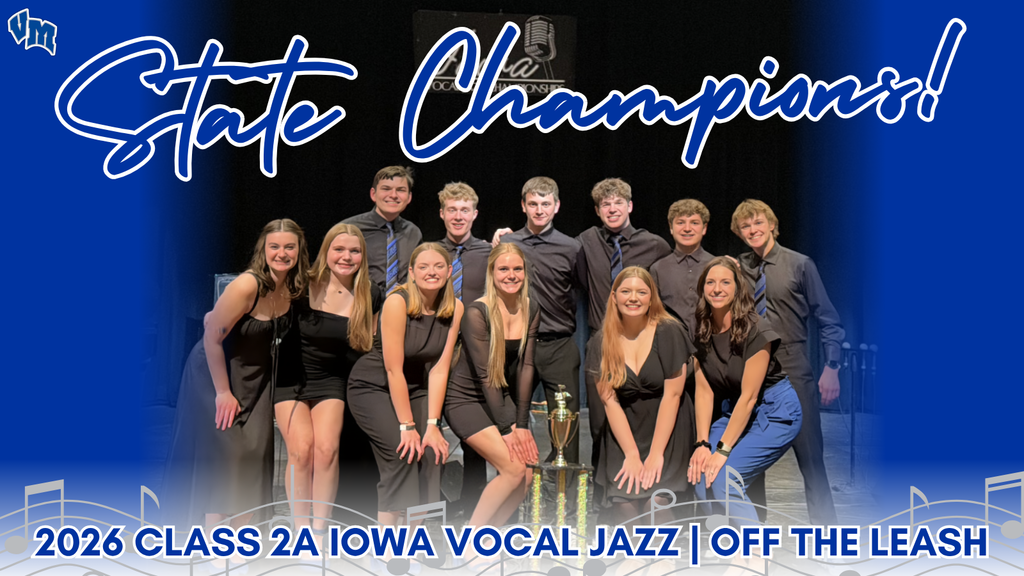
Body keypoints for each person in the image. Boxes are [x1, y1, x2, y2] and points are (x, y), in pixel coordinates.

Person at [164, 219, 309, 538]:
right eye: (274, 246)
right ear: (263, 249)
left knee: (254, 455)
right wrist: (222, 392)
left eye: (289, 247)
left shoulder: (292, 287)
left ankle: (241, 536)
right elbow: (212, 337)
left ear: (299, 251)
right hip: (217, 375)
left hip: (256, 379)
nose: (282, 253)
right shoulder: (248, 285)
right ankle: (217, 541)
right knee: (228, 458)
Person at [731, 199, 844, 525]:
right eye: (745, 226)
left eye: (757, 222)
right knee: (751, 462)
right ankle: (754, 532)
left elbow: (828, 320)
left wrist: (832, 367)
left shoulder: (799, 264)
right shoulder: (738, 267)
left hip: (793, 367)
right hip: (751, 369)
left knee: (811, 459)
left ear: (772, 225)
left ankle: (827, 533)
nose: (752, 229)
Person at [273, 223, 382, 539]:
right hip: (291, 378)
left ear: (362, 255)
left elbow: (373, 346)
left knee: (326, 451)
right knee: (300, 451)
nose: (346, 257)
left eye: (354, 251)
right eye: (339, 249)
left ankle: (319, 532)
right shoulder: (301, 284)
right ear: (326, 251)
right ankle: (301, 531)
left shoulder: (370, 293)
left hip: (332, 380)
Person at [346, 243, 463, 527]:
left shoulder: (455, 308)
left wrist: (433, 425)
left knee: (432, 452)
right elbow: (392, 369)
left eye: (438, 266)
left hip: (416, 386)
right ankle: (387, 543)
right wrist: (408, 426)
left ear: (449, 271)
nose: (431, 272)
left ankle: (412, 541)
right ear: (411, 272)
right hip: (374, 385)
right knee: (404, 453)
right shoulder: (397, 302)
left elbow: (439, 369)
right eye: (423, 267)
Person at [688, 256, 802, 527]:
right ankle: (730, 540)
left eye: (725, 282)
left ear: (737, 288)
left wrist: (722, 451)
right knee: (701, 476)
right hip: (737, 410)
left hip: (774, 412)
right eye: (710, 282)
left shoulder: (756, 328)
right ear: (702, 288)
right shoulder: (701, 329)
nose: (717, 289)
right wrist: (703, 444)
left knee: (725, 480)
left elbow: (749, 397)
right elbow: (704, 392)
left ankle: (755, 549)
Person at [584, 266, 694, 525]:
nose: (633, 298)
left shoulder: (669, 331)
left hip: (668, 427)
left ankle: (665, 551)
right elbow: (609, 402)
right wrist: (632, 455)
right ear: (614, 297)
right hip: (625, 429)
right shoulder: (601, 341)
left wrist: (656, 454)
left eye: (641, 292)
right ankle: (636, 552)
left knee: (656, 504)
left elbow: (673, 396)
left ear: (651, 297)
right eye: (626, 291)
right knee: (626, 505)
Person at [576, 178, 671, 471]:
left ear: (630, 206)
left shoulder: (654, 245)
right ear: (597, 210)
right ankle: (601, 487)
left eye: (618, 203)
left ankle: (644, 480)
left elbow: (673, 279)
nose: (612, 209)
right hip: (602, 341)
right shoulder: (586, 241)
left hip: (640, 342)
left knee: (638, 419)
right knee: (599, 423)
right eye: (605, 204)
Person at [445, 243, 541, 526]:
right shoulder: (477, 312)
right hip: (465, 399)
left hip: (499, 395)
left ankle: (489, 539)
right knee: (513, 470)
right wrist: (507, 430)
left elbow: (526, 367)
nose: (511, 275)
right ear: (492, 272)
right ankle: (470, 540)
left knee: (527, 473)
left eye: (517, 269)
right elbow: (486, 377)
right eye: (503, 269)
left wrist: (521, 425)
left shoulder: (531, 307)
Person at [493, 176, 583, 465]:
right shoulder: (508, 243)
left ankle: (565, 488)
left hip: (558, 344)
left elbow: (583, 288)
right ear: (523, 206)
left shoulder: (571, 247)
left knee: (565, 422)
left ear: (557, 206)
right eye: (533, 204)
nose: (539, 210)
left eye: (546, 204)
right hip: (517, 345)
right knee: (510, 418)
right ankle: (513, 480)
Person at [432, 181, 494, 518]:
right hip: (434, 346)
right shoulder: (430, 253)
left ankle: (473, 503)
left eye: (464, 210)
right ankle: (430, 500)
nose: (458, 216)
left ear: (475, 214)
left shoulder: (489, 252)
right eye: (452, 210)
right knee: (430, 422)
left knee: (473, 429)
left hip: (473, 350)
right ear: (442, 213)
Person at [343, 166, 422, 294]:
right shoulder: (349, 229)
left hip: (403, 303)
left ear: (409, 197)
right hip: (358, 302)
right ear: (373, 194)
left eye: (401, 190)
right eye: (386, 189)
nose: (393, 195)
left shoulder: (413, 233)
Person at [650, 199, 716, 338]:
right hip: (672, 343)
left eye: (694, 223)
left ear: (704, 228)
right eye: (680, 223)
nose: (687, 228)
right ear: (671, 227)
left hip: (711, 345)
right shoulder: (658, 269)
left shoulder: (717, 266)